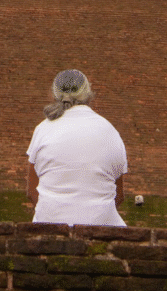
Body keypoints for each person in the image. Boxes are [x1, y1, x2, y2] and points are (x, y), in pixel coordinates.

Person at [26, 68, 128, 226]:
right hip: (100, 227)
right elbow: (119, 195)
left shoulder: (43, 129)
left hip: (49, 223)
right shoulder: (110, 131)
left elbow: (31, 192)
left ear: (54, 94)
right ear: (88, 94)